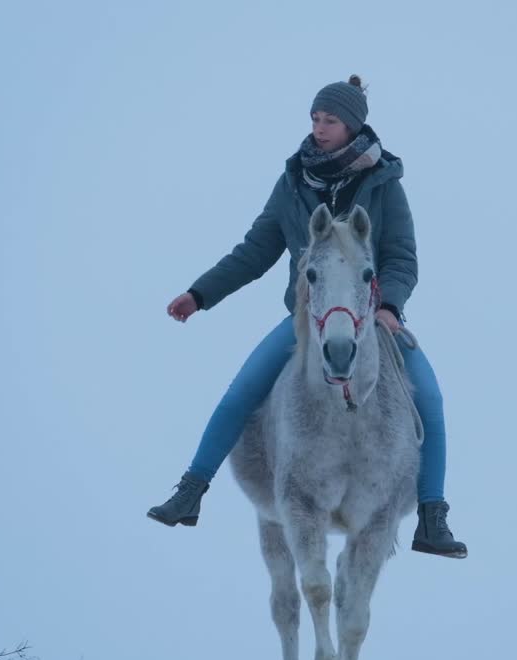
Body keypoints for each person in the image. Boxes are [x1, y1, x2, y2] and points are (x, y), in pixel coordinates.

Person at [146, 75, 467, 558]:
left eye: (330, 121)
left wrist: (388, 306)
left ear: (353, 125)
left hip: (373, 316)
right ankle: (190, 492)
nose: (319, 128)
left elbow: (402, 257)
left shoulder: (384, 185)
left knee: (432, 399)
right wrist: (200, 293)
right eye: (315, 119)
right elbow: (255, 251)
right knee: (242, 390)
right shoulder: (293, 183)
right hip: (308, 317)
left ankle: (432, 517)